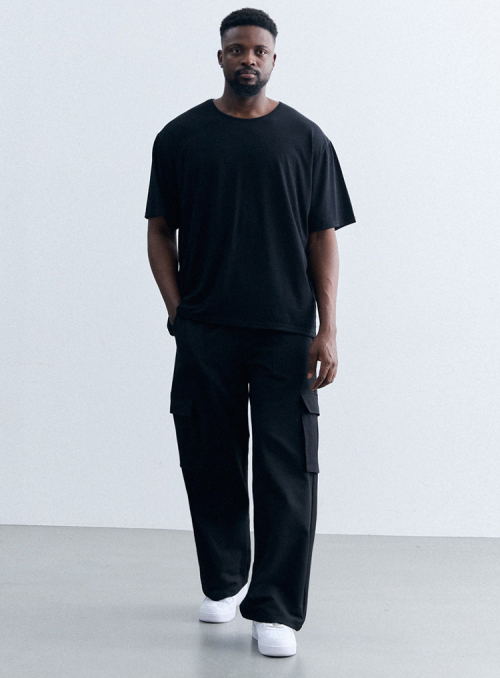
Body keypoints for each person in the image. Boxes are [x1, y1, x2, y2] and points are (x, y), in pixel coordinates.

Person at [144, 7, 356, 658]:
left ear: (273, 59)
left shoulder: (306, 140)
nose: (248, 59)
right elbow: (159, 231)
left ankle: (276, 609)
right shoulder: (180, 137)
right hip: (206, 330)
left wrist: (327, 328)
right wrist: (179, 312)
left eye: (259, 50)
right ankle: (225, 579)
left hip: (285, 333)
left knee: (286, 472)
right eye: (237, 49)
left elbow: (323, 237)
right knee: (209, 460)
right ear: (221, 56)